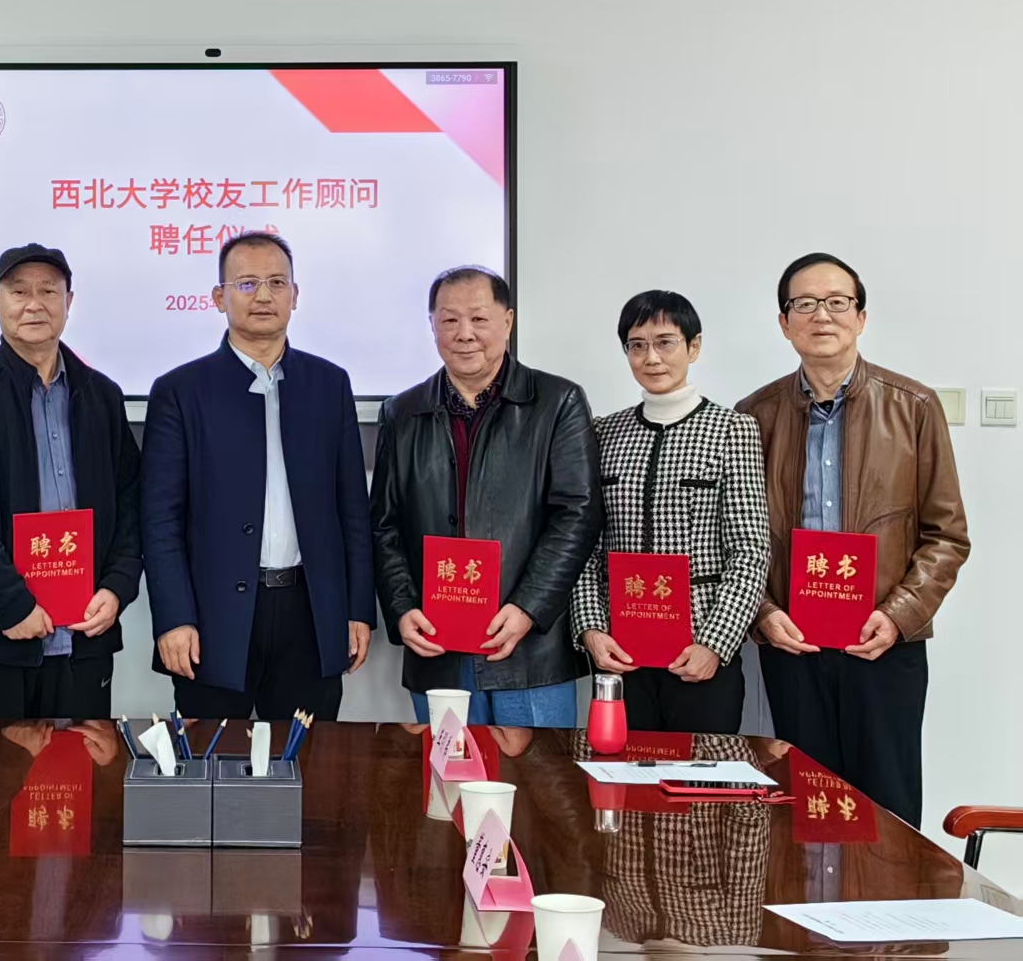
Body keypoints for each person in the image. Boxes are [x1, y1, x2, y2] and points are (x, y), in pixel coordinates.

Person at [738, 252, 968, 827]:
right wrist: (764, 613)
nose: (822, 315)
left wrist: (898, 615)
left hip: (883, 646)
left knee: (886, 811)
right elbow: (736, 536)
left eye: (837, 302)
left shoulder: (914, 407)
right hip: (793, 647)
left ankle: (889, 895)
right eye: (805, 304)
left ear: (861, 317)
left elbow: (947, 535)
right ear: (784, 322)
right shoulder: (753, 416)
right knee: (801, 808)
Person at [140, 231, 374, 722]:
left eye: (276, 283)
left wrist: (357, 609)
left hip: (310, 615)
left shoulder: (329, 384)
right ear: (218, 297)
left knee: (306, 761)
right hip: (213, 620)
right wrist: (174, 618)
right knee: (209, 758)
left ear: (295, 295)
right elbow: (160, 521)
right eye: (246, 283)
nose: (263, 295)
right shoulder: (181, 390)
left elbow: (352, 509)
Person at [372, 265, 602, 728]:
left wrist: (528, 607)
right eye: (449, 320)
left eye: (479, 319)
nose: (465, 334)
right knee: (444, 773)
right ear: (432, 325)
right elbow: (384, 524)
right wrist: (402, 609)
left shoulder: (557, 401)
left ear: (508, 321)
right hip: (437, 647)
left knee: (537, 775)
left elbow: (576, 515)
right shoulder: (402, 412)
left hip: (529, 650)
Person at [0, 243, 142, 718]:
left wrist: (117, 588)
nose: (34, 304)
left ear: (69, 302)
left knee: (82, 765)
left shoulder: (103, 396)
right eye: (19, 291)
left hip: (84, 638)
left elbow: (129, 505)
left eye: (49, 291)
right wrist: (12, 605)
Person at [569, 291, 770, 733]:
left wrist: (715, 643)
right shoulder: (603, 433)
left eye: (665, 342)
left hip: (700, 654)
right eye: (637, 345)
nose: (651, 358)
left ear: (693, 347)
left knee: (701, 775)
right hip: (620, 653)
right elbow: (583, 547)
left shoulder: (731, 430)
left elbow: (750, 551)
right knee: (618, 771)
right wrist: (591, 630)